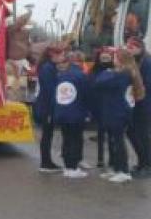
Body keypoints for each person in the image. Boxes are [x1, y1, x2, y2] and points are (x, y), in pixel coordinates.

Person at [94, 48, 147, 183]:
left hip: (118, 112)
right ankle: (117, 168)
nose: (113, 59)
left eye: (115, 57)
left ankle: (123, 170)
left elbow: (100, 82)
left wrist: (107, 72)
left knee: (118, 142)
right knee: (115, 141)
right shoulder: (128, 72)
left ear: (121, 60)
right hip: (120, 111)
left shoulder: (122, 74)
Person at [52, 49, 91, 179]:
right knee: (75, 139)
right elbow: (86, 96)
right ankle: (73, 167)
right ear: (80, 62)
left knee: (67, 139)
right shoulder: (81, 76)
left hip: (62, 112)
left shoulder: (61, 75)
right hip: (76, 113)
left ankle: (67, 166)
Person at [33, 43, 66, 173]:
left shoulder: (49, 67)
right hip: (46, 106)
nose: (63, 57)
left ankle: (47, 161)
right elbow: (50, 90)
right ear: (54, 55)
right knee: (47, 134)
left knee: (48, 134)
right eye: (61, 54)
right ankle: (45, 163)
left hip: (46, 104)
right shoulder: (48, 68)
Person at [125, 37, 151, 178]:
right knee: (132, 132)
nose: (129, 50)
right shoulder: (134, 62)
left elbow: (146, 85)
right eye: (128, 47)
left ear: (140, 48)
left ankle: (147, 165)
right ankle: (142, 162)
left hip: (144, 104)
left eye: (132, 48)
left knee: (142, 135)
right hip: (136, 104)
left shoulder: (146, 63)